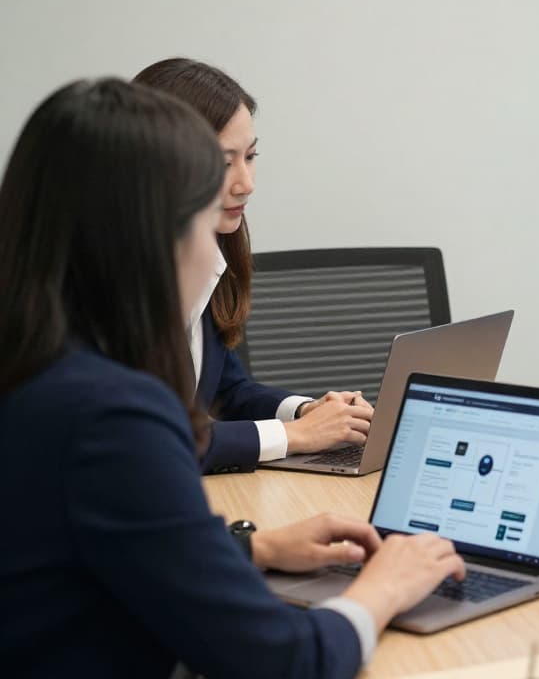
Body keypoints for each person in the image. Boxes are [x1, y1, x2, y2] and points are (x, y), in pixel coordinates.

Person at [0, 79, 465, 677]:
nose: (212, 253)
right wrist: (385, 587)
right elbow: (283, 662)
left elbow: (95, 550)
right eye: (200, 220)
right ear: (145, 237)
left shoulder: (36, 366)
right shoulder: (111, 416)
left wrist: (254, 548)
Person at [133, 58, 372, 474]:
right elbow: (150, 438)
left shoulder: (204, 258)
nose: (247, 183)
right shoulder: (114, 289)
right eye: (225, 163)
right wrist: (294, 437)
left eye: (251, 155)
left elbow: (228, 391)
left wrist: (307, 412)